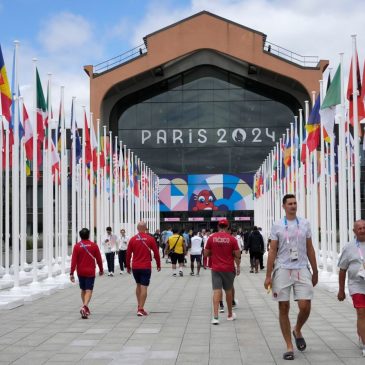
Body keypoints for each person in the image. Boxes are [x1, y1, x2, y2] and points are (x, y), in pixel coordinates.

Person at [264, 194, 318, 361]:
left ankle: (297, 329)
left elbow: (310, 248)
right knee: (283, 307)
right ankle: (289, 346)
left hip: (301, 267)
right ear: (284, 206)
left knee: (305, 305)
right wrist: (268, 275)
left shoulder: (305, 223)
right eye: (290, 204)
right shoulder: (278, 225)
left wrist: (315, 271)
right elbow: (272, 250)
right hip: (282, 268)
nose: (293, 206)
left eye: (295, 203)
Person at [204, 218, 241, 325]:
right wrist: (237, 266)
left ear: (218, 227)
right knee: (228, 291)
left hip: (216, 268)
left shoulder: (211, 238)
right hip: (229, 268)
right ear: (227, 227)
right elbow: (237, 255)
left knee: (216, 291)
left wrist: (214, 254)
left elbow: (206, 254)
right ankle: (229, 314)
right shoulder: (232, 239)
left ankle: (215, 317)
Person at [338, 219, 365, 357]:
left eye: (364, 227)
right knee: (361, 312)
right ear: (354, 231)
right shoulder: (349, 247)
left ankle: (362, 334)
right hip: (357, 285)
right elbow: (342, 270)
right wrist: (341, 290)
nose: (362, 230)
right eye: (359, 228)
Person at [126, 221, 161, 316]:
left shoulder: (133, 239)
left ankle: (139, 306)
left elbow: (128, 254)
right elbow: (156, 253)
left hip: (135, 266)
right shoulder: (150, 239)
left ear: (137, 228)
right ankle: (141, 308)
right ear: (146, 228)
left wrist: (128, 266)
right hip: (145, 266)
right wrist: (158, 264)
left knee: (138, 285)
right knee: (144, 286)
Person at [70, 228, 104, 319]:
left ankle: (85, 307)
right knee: (89, 290)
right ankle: (85, 306)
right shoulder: (94, 245)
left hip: (80, 271)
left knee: (83, 290)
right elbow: (99, 259)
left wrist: (71, 273)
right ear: (88, 235)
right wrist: (101, 269)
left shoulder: (77, 246)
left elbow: (73, 260)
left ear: (80, 236)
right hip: (90, 272)